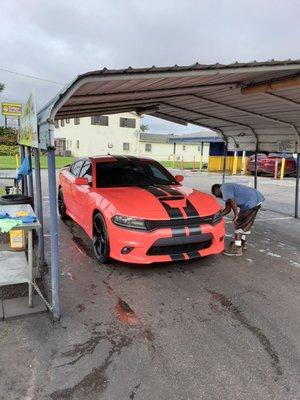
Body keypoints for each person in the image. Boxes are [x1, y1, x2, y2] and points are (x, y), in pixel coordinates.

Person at [211, 183, 265, 256]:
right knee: (245, 224)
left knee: (239, 225)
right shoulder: (228, 192)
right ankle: (243, 243)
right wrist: (216, 216)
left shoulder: (224, 187)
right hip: (255, 200)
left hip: (251, 202)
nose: (216, 196)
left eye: (215, 193)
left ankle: (237, 249)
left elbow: (232, 201)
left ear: (217, 189)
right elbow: (227, 209)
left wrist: (236, 215)